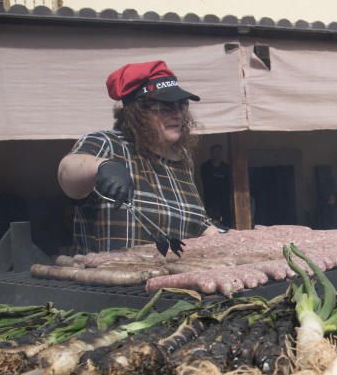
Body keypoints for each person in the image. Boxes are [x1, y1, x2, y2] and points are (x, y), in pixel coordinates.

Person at [58, 60, 223, 253]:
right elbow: (67, 173)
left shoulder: (182, 159)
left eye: (181, 105)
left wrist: (231, 239)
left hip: (169, 280)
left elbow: (196, 223)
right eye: (166, 107)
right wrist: (102, 166)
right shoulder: (109, 143)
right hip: (110, 278)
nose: (178, 115)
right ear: (138, 113)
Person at [200, 144, 233, 227]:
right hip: (210, 199)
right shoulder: (205, 167)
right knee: (211, 223)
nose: (216, 154)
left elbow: (229, 183)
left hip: (224, 200)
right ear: (211, 153)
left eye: (218, 152)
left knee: (226, 223)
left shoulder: (226, 167)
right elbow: (202, 181)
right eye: (214, 152)